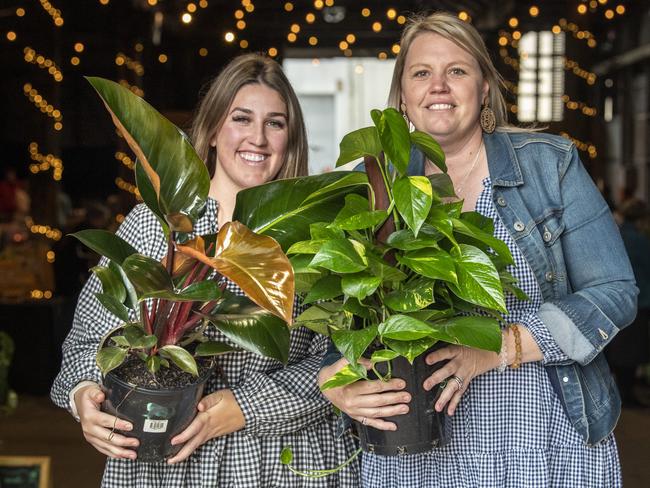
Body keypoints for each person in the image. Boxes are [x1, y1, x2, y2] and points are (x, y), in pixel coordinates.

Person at [319, 12, 637, 487]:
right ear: (402, 95)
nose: (439, 86)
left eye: (458, 71)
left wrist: (497, 347)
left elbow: (615, 292)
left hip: (536, 440)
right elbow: (340, 324)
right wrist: (338, 385)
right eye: (422, 73)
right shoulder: (374, 186)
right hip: (415, 451)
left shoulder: (550, 165)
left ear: (484, 87)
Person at [51, 54, 359, 487]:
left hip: (282, 460)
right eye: (241, 118)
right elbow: (88, 340)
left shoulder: (312, 235)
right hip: (163, 459)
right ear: (214, 129)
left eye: (276, 123)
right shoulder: (155, 223)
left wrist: (247, 405)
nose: (258, 138)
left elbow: (341, 360)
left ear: (291, 139)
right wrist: (85, 395)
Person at [607, 198, 650, 407]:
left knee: (619, 346)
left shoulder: (615, 235)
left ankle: (620, 392)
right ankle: (627, 393)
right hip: (640, 300)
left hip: (614, 300)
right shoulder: (641, 240)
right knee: (632, 349)